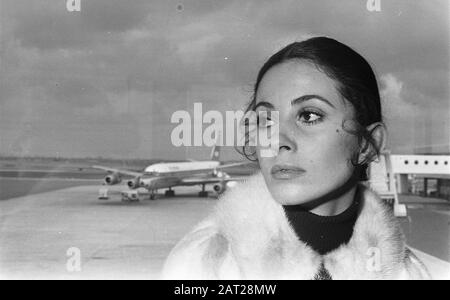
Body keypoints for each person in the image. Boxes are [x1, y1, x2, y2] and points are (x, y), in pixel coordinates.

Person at [162, 37, 430, 280]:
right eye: (266, 120)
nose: (278, 140)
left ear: (367, 145)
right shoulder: (199, 265)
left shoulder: (410, 274)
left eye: (309, 116)